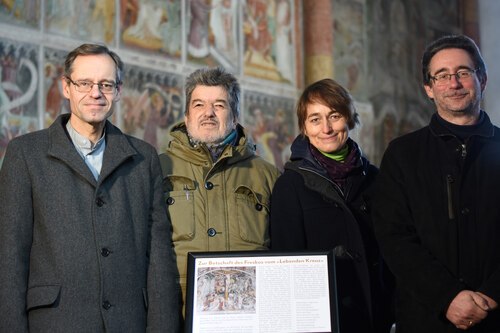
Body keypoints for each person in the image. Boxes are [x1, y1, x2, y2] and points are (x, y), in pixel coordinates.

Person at [0, 43, 180, 332]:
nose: (95, 93)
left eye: (105, 84)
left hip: (128, 323)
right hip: (54, 323)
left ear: (118, 91)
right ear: (66, 87)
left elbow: (158, 258)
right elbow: (9, 258)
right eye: (84, 83)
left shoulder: (143, 158)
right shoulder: (25, 154)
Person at [372, 34, 500, 332]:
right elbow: (394, 238)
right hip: (428, 317)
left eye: (463, 73)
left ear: (482, 79)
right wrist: (447, 297)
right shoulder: (403, 154)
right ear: (428, 88)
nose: (453, 84)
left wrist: (493, 294)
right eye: (441, 76)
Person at [270, 78, 394, 333]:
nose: (326, 128)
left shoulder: (375, 179)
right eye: (315, 119)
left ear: (349, 119)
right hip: (322, 319)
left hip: (376, 316)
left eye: (334, 116)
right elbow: (286, 266)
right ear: (304, 127)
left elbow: (392, 252)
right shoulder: (290, 186)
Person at [159, 67, 280, 312]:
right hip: (179, 313)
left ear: (235, 116)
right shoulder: (158, 169)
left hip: (249, 315)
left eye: (219, 105)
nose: (208, 114)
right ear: (186, 116)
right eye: (199, 105)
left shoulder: (268, 176)